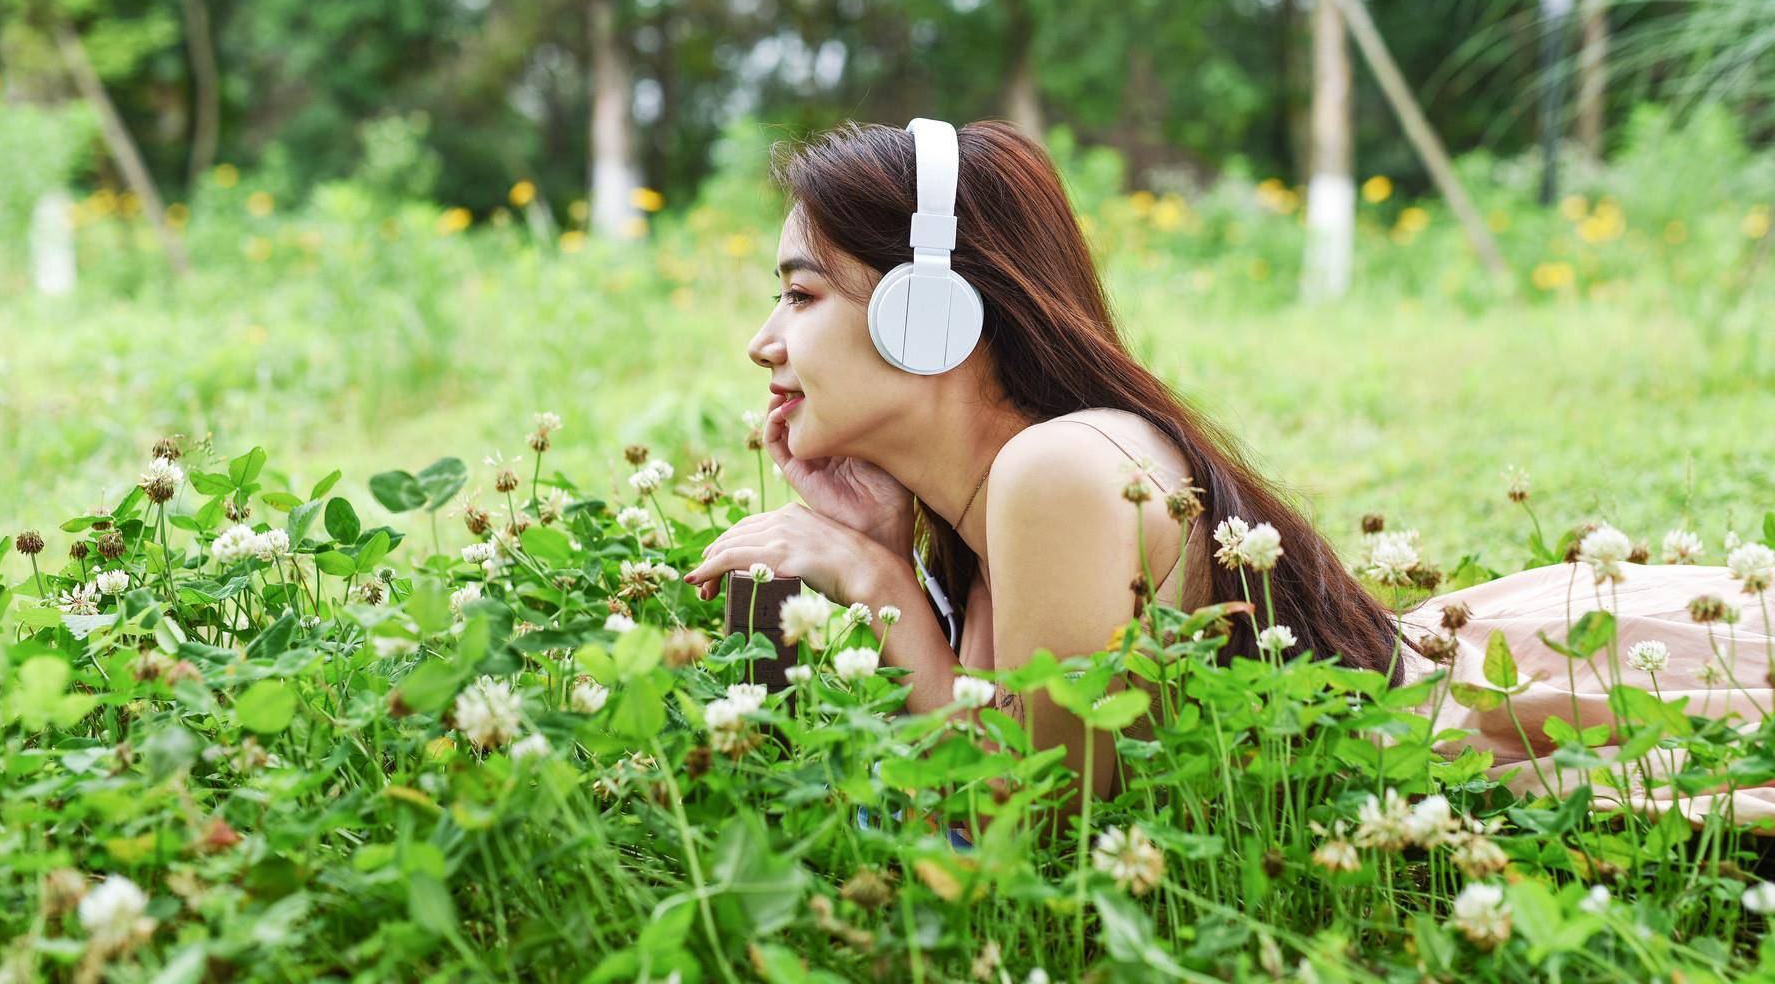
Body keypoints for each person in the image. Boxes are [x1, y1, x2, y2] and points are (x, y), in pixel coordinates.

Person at [678, 118, 1774, 826]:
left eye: (802, 294)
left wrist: (877, 588)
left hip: (1459, 751)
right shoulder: (1006, 491)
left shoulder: (1057, 470)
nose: (763, 343)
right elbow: (994, 741)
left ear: (930, 314)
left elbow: (1037, 817)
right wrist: (889, 545)